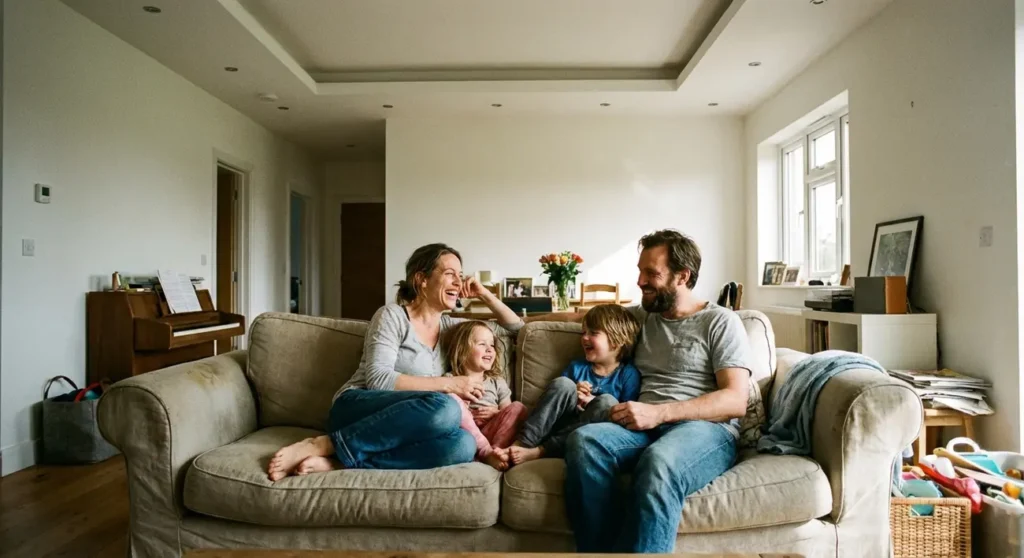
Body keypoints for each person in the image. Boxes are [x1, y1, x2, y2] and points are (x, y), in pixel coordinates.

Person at [534, 230, 753, 553]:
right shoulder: (640, 317)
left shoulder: (720, 322)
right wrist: (518, 322)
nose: (640, 281)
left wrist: (660, 412)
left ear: (683, 276)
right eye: (640, 271)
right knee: (585, 441)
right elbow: (578, 318)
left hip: (704, 430)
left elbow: (736, 400)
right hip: (643, 426)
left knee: (659, 462)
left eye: (652, 273)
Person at [267, 243, 524, 480]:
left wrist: (484, 294)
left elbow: (516, 329)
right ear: (421, 280)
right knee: (447, 407)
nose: (459, 281)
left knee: (463, 445)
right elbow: (378, 380)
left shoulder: (450, 329)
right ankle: (323, 444)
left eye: (461, 274)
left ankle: (342, 462)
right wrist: (449, 385)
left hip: (408, 425)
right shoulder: (393, 316)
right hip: (358, 408)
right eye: (449, 274)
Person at [508, 304, 641, 465]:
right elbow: (556, 401)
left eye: (593, 333)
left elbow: (625, 416)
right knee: (563, 384)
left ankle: (540, 451)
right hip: (559, 426)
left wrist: (592, 402)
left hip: (583, 437)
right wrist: (575, 392)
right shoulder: (577, 367)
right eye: (584, 332)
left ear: (617, 341)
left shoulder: (628, 374)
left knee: (608, 402)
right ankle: (522, 444)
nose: (584, 337)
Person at [441, 321, 528, 471]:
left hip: (492, 431)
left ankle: (495, 453)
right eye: (482, 344)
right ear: (462, 350)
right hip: (466, 434)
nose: (489, 349)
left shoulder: (496, 382)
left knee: (518, 408)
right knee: (452, 401)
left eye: (492, 345)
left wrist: (497, 413)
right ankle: (484, 453)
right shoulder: (450, 380)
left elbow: (508, 412)